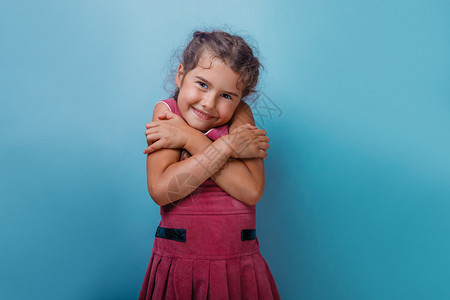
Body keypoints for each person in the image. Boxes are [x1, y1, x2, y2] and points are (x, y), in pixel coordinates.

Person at [138, 30, 280, 300]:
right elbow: (162, 189)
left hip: (239, 267)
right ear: (181, 75)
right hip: (182, 265)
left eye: (227, 95)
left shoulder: (241, 114)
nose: (209, 103)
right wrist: (227, 146)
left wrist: (189, 138)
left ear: (241, 99)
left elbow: (250, 190)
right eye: (202, 84)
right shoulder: (168, 113)